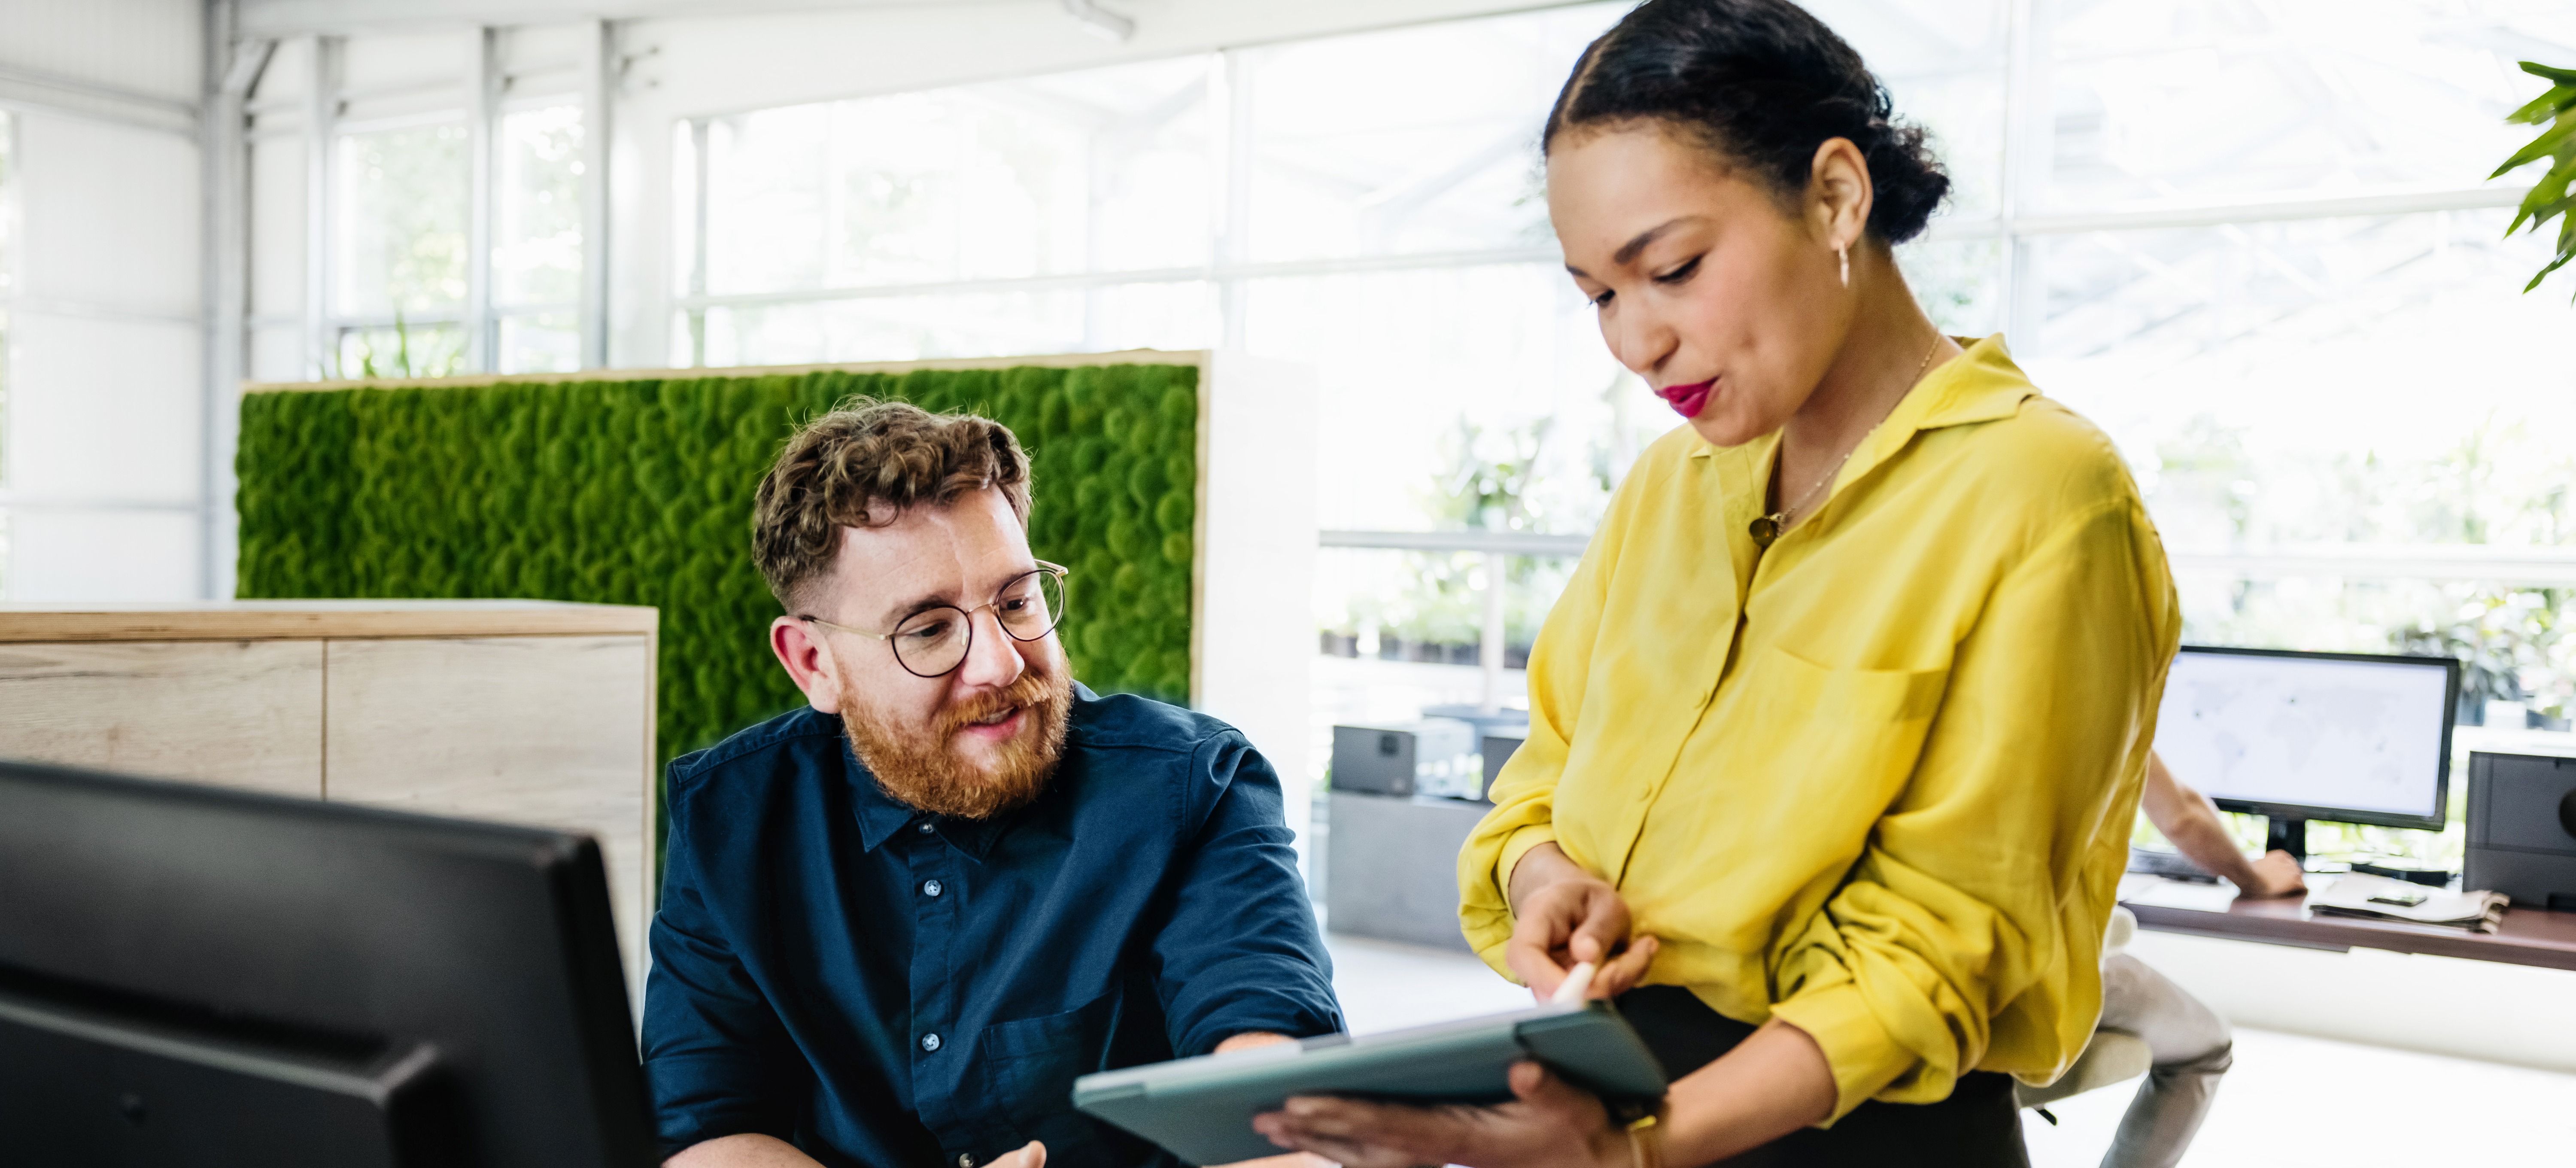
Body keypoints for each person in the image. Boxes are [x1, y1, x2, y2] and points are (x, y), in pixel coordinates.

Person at [1250, 1, 2179, 1165]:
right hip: (1607, 1099)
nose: (1634, 340)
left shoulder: (2043, 492)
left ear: (1838, 196)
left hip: (1851, 1136)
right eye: (1599, 293)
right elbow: (1540, 784)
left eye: (1673, 269)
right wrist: (1547, 878)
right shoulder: (1667, 488)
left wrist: (1642, 1148)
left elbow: (1942, 948)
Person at [644, 400, 1342, 1168]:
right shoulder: (732, 816)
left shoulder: (1193, 786)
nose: (1003, 664)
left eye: (1017, 601)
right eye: (930, 629)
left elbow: (1270, 1077)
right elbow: (707, 1124)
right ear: (814, 664)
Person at [2074, 751, 2304, 1168]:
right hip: (2042, 965)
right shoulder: (2094, 686)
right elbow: (2182, 816)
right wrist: (2256, 879)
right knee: (2208, 1045)